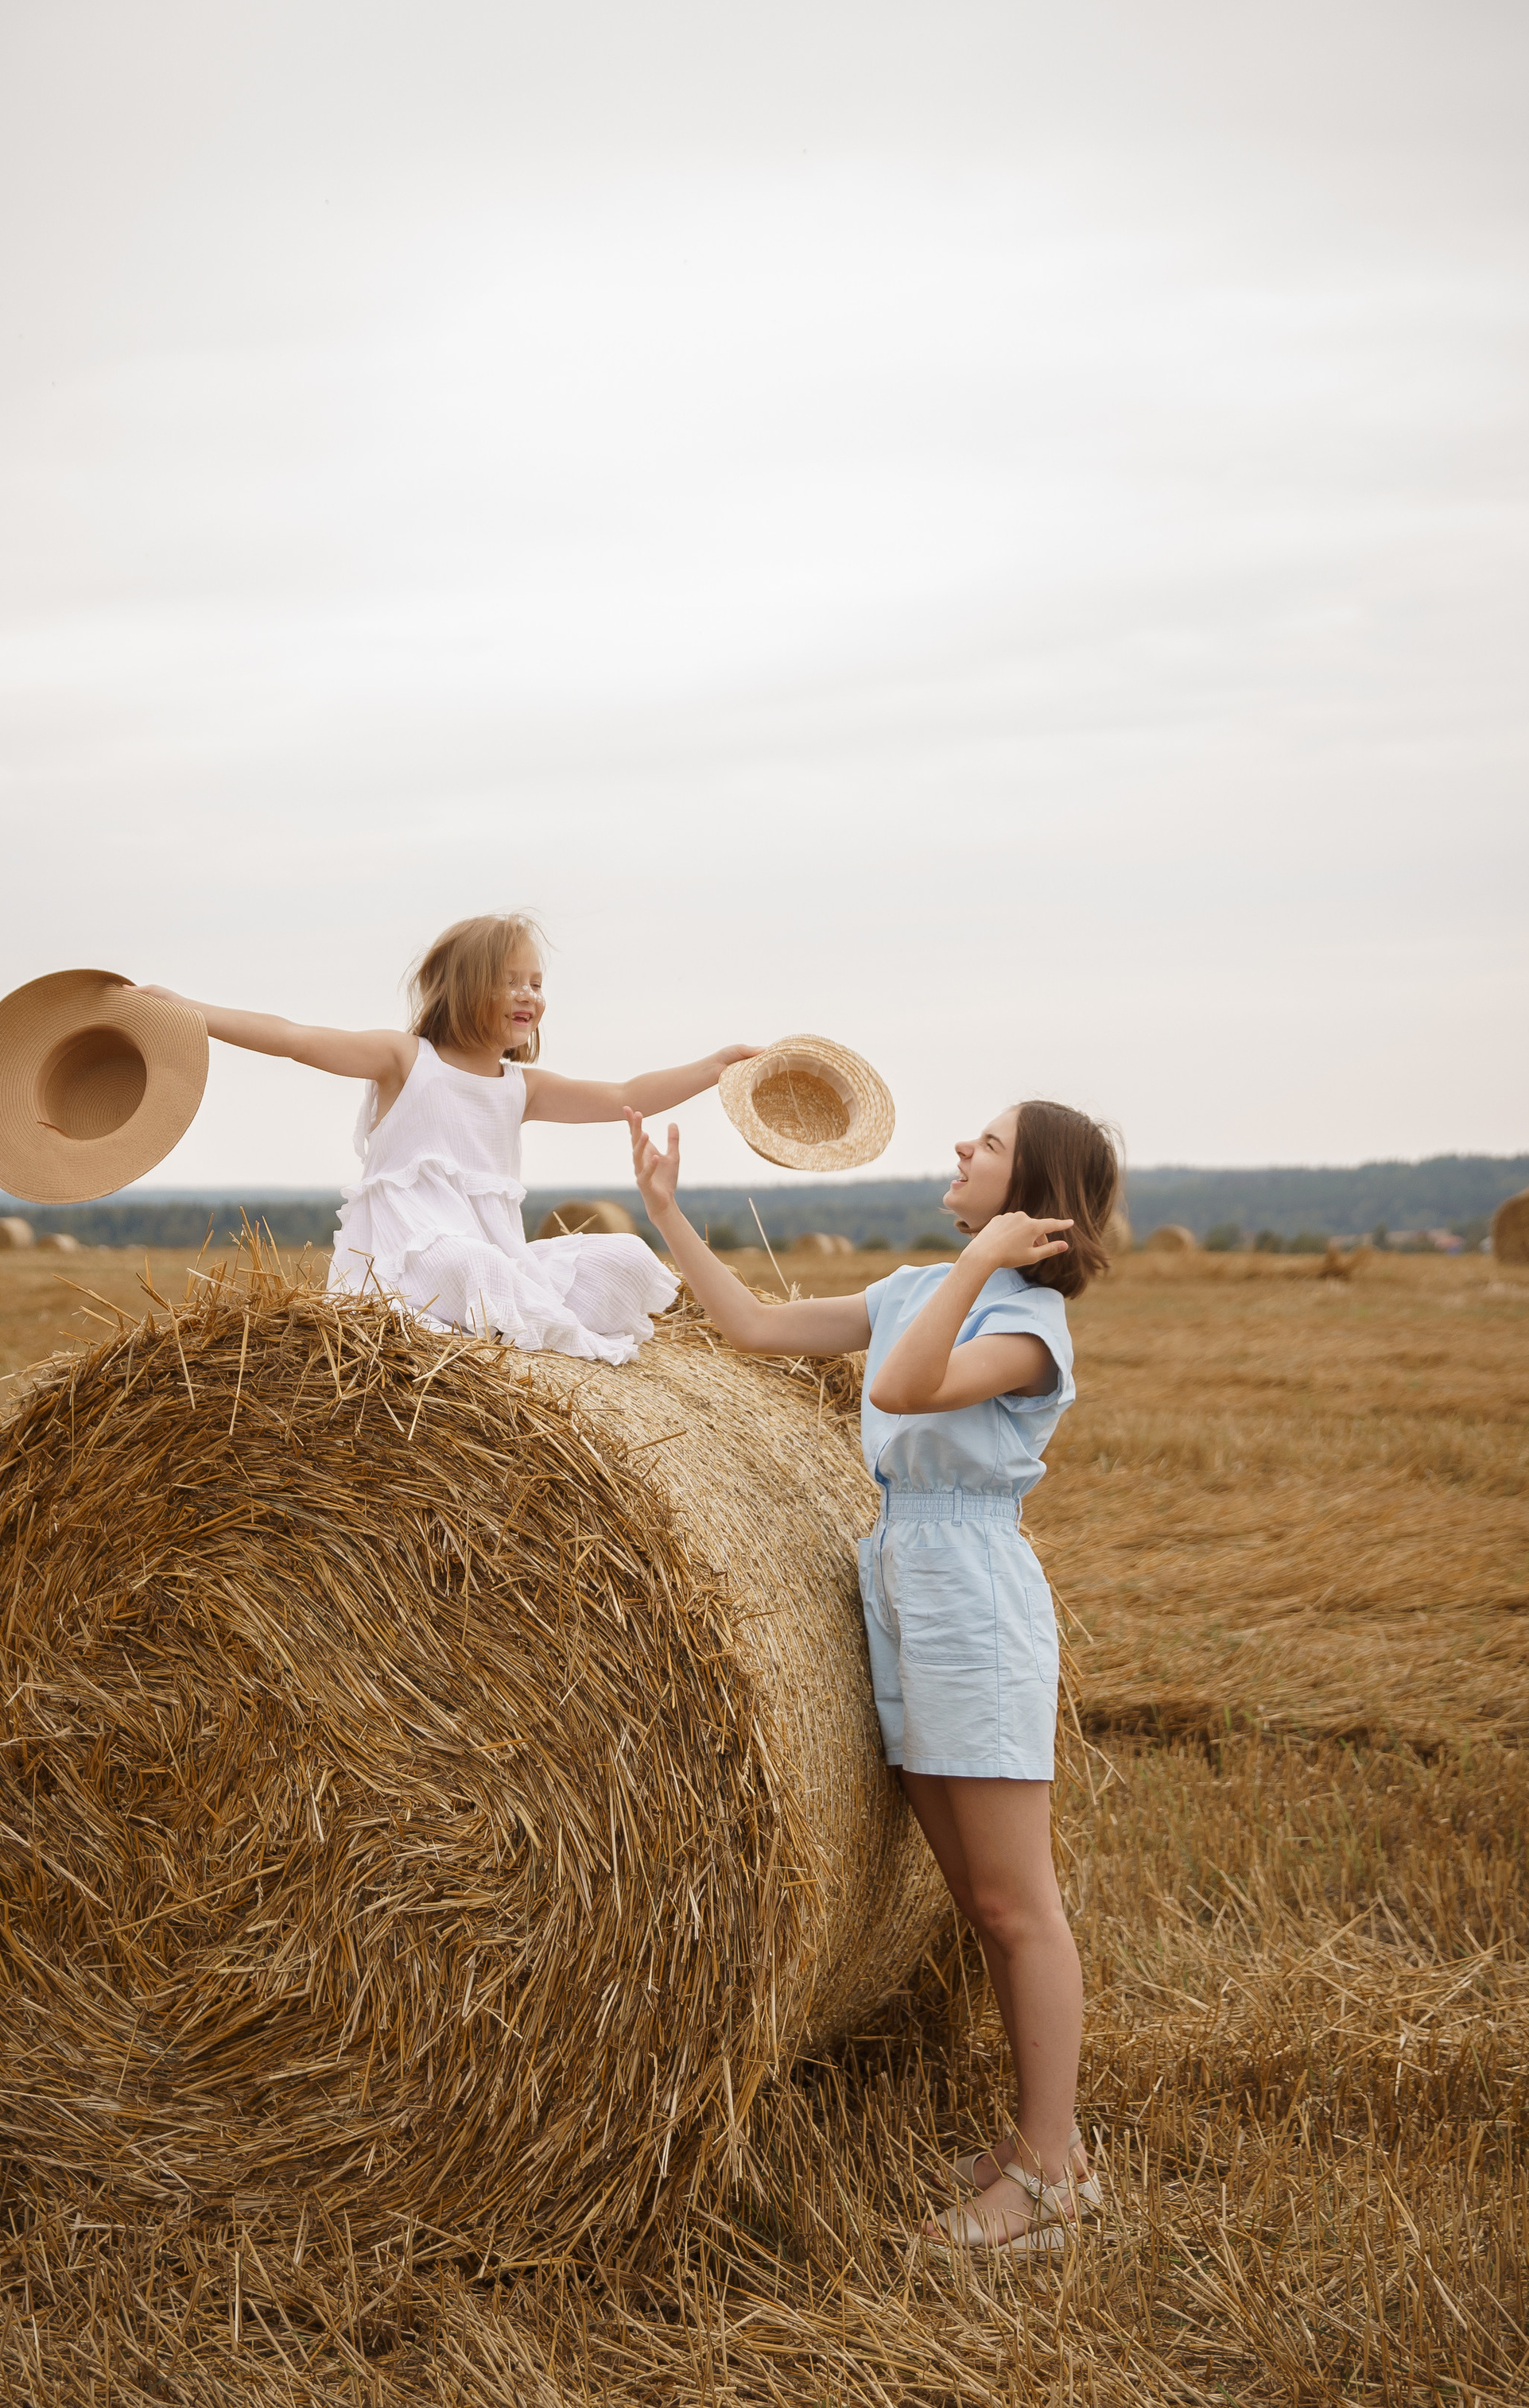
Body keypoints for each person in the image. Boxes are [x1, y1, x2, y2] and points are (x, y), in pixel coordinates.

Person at [629, 1092, 1120, 2251]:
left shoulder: (1031, 1330)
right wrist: (666, 1212)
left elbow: (901, 1389)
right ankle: (1043, 2143)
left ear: (1032, 1191)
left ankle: (1051, 2177)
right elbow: (750, 1329)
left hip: (975, 1600)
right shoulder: (915, 1290)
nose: (959, 1148)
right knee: (974, 1896)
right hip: (906, 1583)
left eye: (987, 1144)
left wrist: (990, 1265)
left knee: (1016, 1904)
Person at [135, 917, 761, 1365]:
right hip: (406, 1260)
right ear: (462, 989)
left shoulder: (522, 1086)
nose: (529, 995)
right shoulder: (405, 1061)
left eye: (536, 983)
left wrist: (715, 1067)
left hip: (496, 1253)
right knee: (476, 1266)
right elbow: (294, 1036)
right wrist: (190, 1010)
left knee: (624, 1255)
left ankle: (519, 1325)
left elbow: (628, 1091)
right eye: (509, 981)